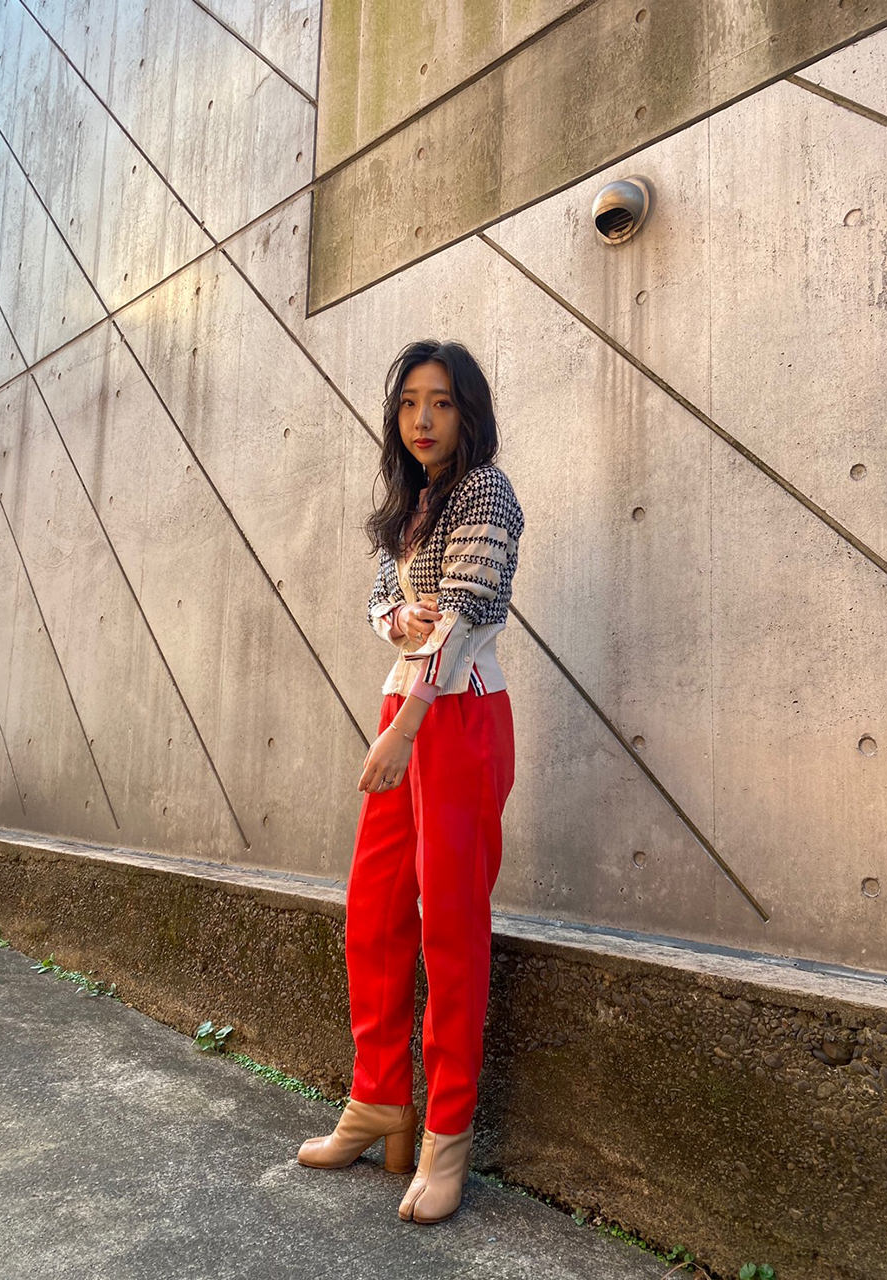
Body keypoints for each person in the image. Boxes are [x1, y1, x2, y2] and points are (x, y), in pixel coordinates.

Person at [297, 338, 524, 1225]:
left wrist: (406, 722)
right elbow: (378, 601)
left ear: (469, 412)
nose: (422, 419)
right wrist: (395, 616)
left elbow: (462, 614)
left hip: (456, 718)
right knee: (375, 908)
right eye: (408, 404)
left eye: (441, 402)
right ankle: (379, 1100)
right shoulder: (415, 501)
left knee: (451, 925)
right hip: (408, 708)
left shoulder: (486, 491)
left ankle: (446, 1135)